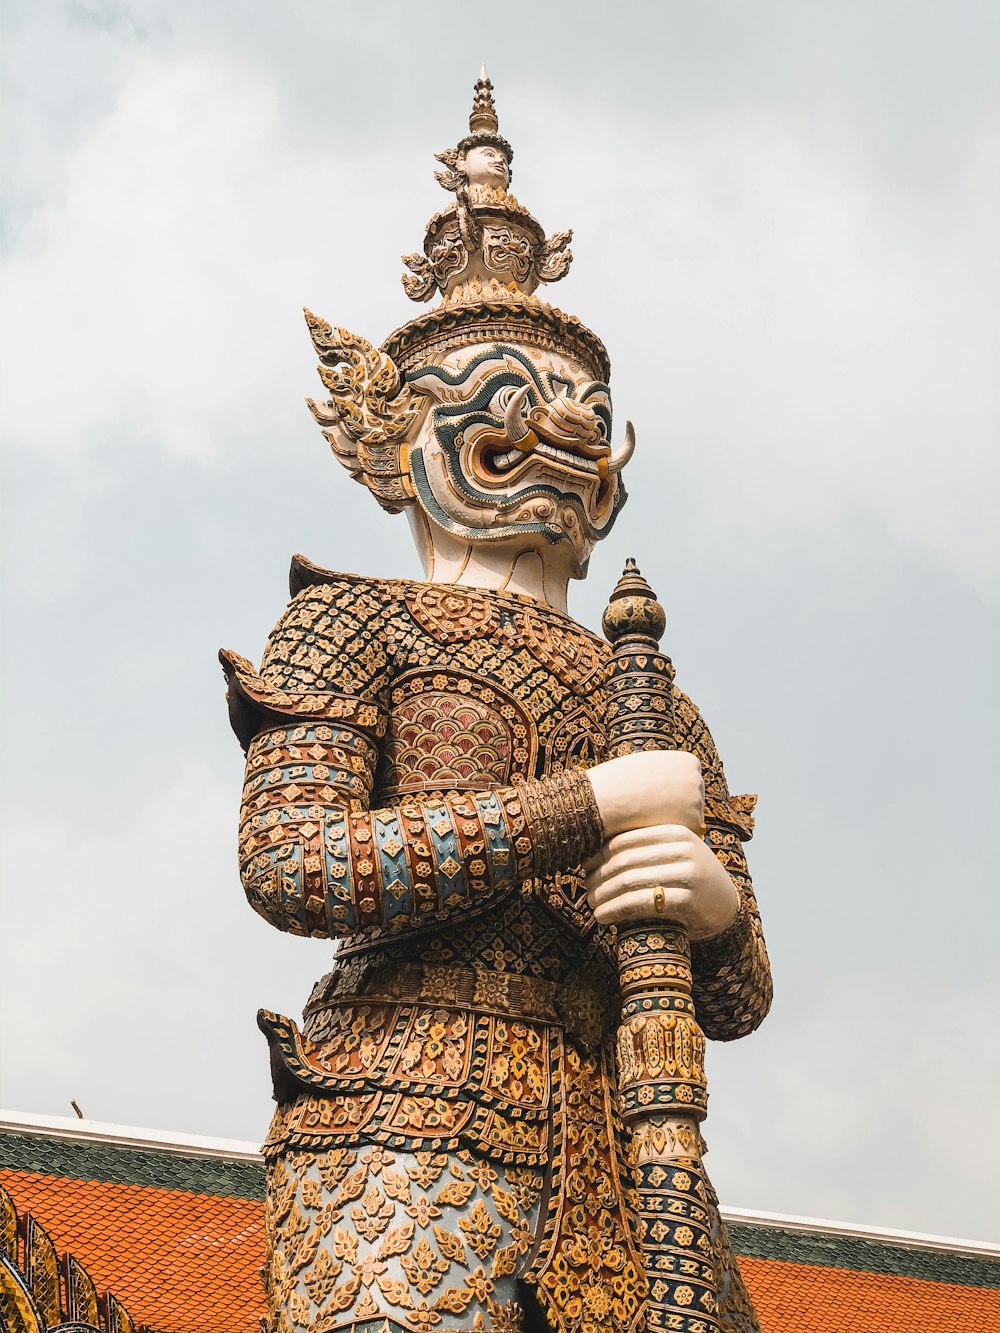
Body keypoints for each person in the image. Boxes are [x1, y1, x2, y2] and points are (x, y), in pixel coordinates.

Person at [221, 71, 771, 1333]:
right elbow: (294, 866)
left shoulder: (655, 702)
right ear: (402, 436)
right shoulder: (354, 620)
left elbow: (736, 1000)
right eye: (511, 398)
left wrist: (715, 908)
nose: (561, 428)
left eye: (584, 412)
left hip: (631, 1144)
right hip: (402, 1117)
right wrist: (588, 805)